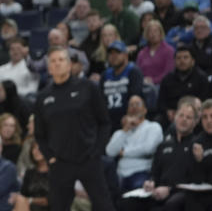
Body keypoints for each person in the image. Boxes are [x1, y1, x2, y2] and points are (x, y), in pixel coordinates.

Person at [34, 46, 114, 211]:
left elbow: (105, 122)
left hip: (88, 159)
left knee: (103, 205)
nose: (57, 64)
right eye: (53, 61)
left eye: (61, 60)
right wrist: (50, 157)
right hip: (60, 163)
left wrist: (97, 150)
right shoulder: (43, 97)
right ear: (48, 68)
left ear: (70, 65)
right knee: (58, 206)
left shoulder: (88, 87)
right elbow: (40, 135)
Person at [119, 101, 198, 211]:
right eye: (181, 115)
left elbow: (194, 178)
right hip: (157, 192)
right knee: (125, 203)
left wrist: (170, 190)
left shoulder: (196, 145)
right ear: (175, 118)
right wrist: (151, 183)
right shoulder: (164, 145)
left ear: (195, 122)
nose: (184, 119)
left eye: (188, 117)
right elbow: (155, 172)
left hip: (179, 192)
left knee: (171, 204)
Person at [105, 95, 162, 191]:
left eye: (137, 104)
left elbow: (148, 148)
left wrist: (124, 152)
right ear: (127, 111)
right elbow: (110, 152)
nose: (134, 107)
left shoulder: (153, 127)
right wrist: (125, 130)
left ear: (145, 110)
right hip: (119, 174)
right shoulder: (121, 132)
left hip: (141, 172)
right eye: (131, 105)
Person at [158, 44, 211, 123]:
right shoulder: (167, 79)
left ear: (193, 61)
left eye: (185, 57)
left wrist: (188, 114)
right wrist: (167, 111)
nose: (181, 61)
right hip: (171, 116)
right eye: (178, 58)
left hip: (194, 116)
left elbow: (205, 101)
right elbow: (161, 101)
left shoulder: (201, 78)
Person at [101, 40, 146, 131]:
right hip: (107, 120)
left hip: (127, 118)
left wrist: (130, 117)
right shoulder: (105, 75)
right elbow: (100, 99)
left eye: (117, 53)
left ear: (126, 55)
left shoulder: (133, 72)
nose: (114, 56)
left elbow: (135, 97)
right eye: (111, 54)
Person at [186, 99, 212, 211]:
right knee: (189, 199)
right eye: (205, 117)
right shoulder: (196, 142)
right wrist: (199, 161)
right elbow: (195, 179)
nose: (209, 121)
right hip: (203, 194)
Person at [12, 141, 50, 211]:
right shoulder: (29, 172)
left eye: (39, 148)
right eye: (34, 148)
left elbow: (52, 200)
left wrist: (30, 200)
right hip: (28, 207)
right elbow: (23, 194)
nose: (36, 151)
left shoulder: (55, 173)